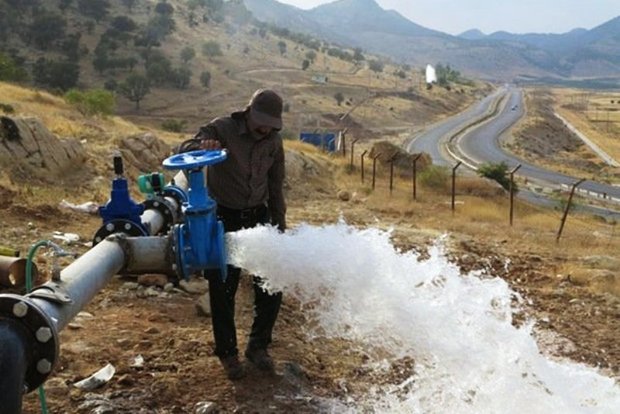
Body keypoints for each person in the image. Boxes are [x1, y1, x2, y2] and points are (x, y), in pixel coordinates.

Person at [178, 89, 286, 380]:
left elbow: (276, 187)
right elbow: (185, 148)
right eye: (261, 121)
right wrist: (203, 144)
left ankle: (258, 347)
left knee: (272, 285)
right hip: (224, 218)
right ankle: (228, 354)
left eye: (271, 124)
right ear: (249, 111)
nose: (265, 128)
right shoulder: (223, 128)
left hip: (259, 217)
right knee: (223, 289)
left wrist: (279, 226)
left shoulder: (274, 142)